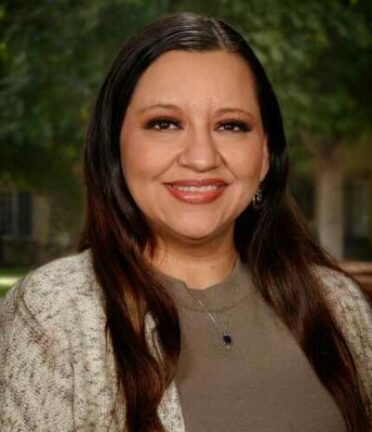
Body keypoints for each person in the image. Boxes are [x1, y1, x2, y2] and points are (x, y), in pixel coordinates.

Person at [0, 12, 371, 432]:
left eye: (231, 126)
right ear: (115, 147)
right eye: (164, 124)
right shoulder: (52, 313)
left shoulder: (340, 307)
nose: (201, 157)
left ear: (265, 154)